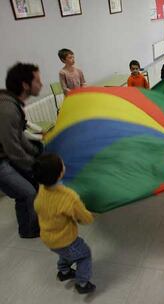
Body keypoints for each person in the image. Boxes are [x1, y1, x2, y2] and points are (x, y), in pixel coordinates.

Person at [33, 153, 95, 294]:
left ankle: (65, 272)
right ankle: (83, 283)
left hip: (47, 237)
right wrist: (90, 215)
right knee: (84, 255)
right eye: (63, 164)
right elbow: (86, 219)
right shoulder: (69, 197)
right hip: (66, 240)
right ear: (61, 173)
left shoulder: (42, 188)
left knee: (65, 253)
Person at [0, 62, 43, 238]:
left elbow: (19, 136)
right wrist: (35, 165)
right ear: (25, 85)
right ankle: (30, 230)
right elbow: (13, 148)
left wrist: (35, 152)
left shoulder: (13, 104)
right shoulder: (8, 109)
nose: (41, 84)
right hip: (2, 161)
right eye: (38, 81)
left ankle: (28, 226)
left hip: (6, 156)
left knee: (30, 187)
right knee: (28, 192)